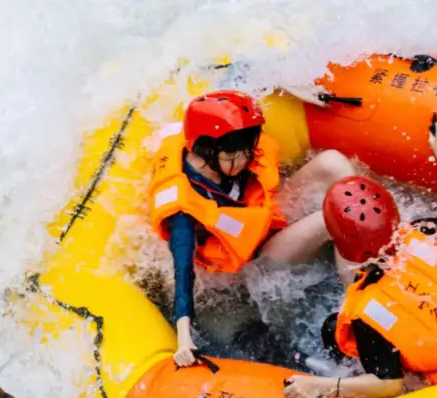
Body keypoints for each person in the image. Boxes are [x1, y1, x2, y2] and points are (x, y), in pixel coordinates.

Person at [282, 120, 437, 398]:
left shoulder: (367, 315)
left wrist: (321, 385)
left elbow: (388, 384)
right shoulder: (422, 235)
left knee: (331, 330)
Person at [146, 89, 355, 367]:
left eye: (248, 151)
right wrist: (184, 339)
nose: (244, 160)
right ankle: (359, 299)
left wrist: (293, 86)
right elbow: (182, 274)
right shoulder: (183, 211)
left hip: (261, 212)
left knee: (332, 162)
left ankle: (373, 236)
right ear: (207, 149)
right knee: (337, 214)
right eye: (235, 155)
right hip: (256, 258)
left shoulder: (221, 150)